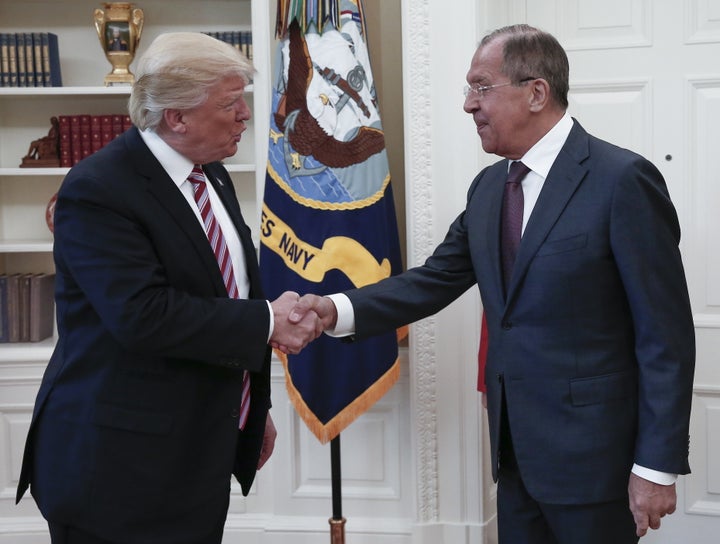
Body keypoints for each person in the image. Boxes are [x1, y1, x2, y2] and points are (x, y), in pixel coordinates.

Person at [286, 24, 695, 544]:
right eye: (467, 91)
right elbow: (433, 280)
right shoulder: (489, 189)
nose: (467, 106)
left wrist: (656, 466)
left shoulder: (622, 181)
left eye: (481, 88)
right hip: (514, 457)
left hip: (595, 466)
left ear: (536, 93)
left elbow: (666, 337)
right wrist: (334, 309)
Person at [15, 32, 322, 544]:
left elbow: (228, 290)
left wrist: (249, 408)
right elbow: (143, 316)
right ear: (176, 117)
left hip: (196, 452)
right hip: (117, 471)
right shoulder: (98, 189)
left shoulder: (211, 175)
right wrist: (270, 322)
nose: (246, 114)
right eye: (230, 103)